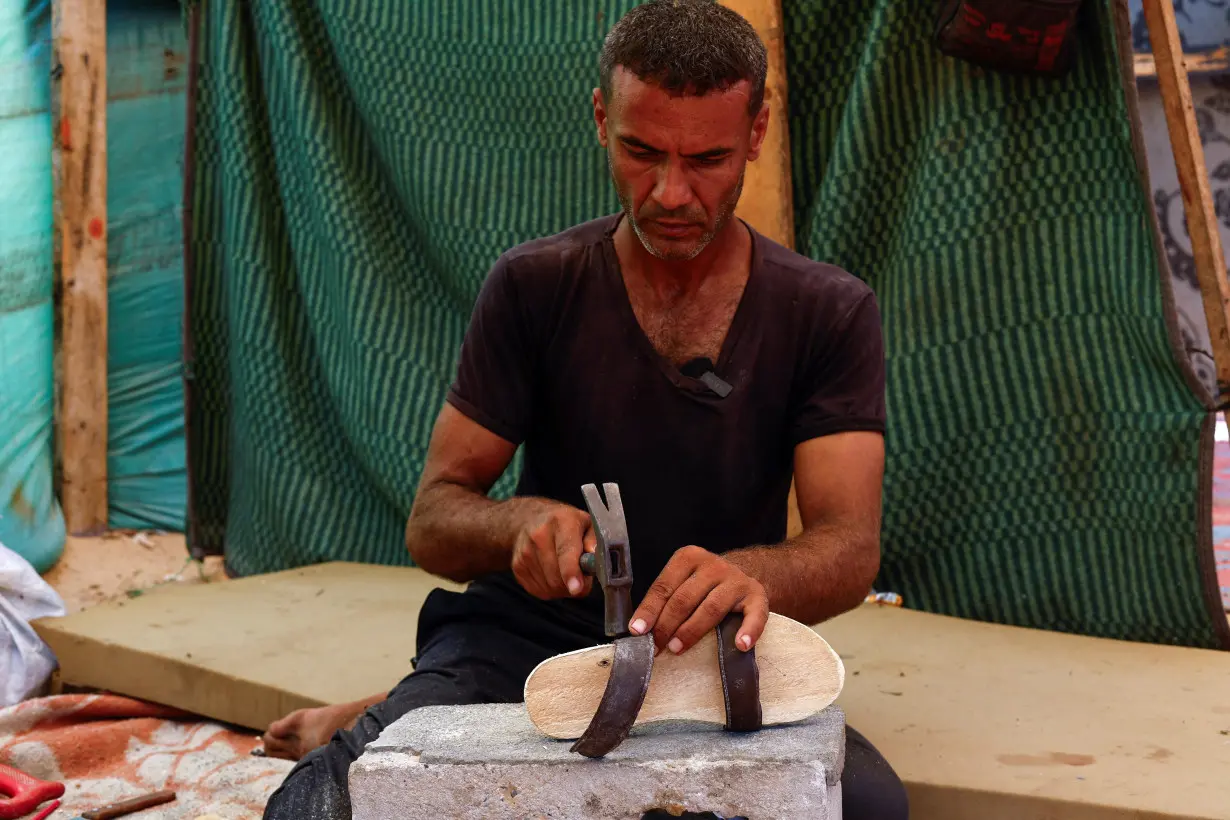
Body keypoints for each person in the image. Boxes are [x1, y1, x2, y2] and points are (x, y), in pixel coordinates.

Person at [262, 2, 908, 818]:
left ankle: (399, 709)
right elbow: (433, 518)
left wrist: (751, 576)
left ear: (756, 132)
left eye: (707, 158)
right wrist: (519, 526)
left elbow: (850, 546)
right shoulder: (535, 287)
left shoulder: (829, 310)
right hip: (526, 639)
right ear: (602, 119)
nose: (672, 193)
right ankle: (403, 711)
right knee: (324, 805)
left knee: (869, 808)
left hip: (710, 655)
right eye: (642, 151)